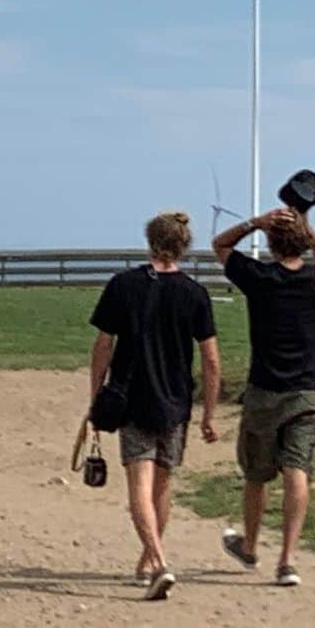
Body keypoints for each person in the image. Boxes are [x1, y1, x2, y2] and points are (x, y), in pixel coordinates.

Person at [89, 212, 221, 601]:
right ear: (184, 245)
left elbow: (102, 345)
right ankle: (150, 559)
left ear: (149, 241)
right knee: (163, 485)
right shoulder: (195, 293)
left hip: (132, 398)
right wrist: (209, 414)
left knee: (140, 487)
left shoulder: (123, 286)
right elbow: (211, 360)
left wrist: (95, 396)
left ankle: (157, 561)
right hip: (175, 402)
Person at [212, 206, 315, 587]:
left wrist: (256, 222)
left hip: (264, 389)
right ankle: (287, 560)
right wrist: (308, 228)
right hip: (305, 391)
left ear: (269, 242)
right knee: (297, 471)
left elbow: (220, 245)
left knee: (256, 474)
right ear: (302, 243)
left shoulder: (260, 277)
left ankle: (250, 547)